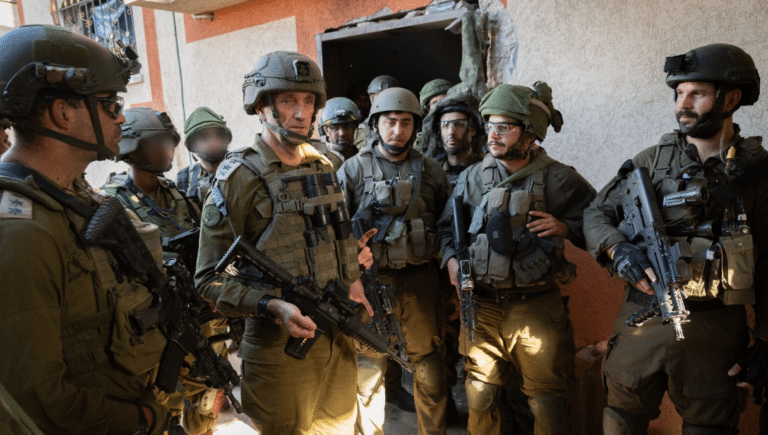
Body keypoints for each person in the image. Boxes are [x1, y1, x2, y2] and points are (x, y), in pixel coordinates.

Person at [584, 43, 768, 435]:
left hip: (714, 328)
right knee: (620, 421)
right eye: (679, 93)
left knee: (710, 428)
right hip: (643, 316)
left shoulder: (758, 172)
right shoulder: (651, 161)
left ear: (731, 99)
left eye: (696, 93)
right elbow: (596, 213)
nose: (682, 105)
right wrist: (618, 248)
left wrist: (767, 340)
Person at [0, 24, 169, 435]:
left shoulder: (70, 193)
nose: (121, 117)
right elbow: (36, 397)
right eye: (110, 104)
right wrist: (141, 420)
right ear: (62, 113)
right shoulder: (22, 231)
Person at [194, 50, 373, 435]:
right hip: (278, 354)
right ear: (261, 107)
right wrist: (272, 305)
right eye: (289, 101)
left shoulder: (322, 166)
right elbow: (208, 280)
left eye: (308, 101)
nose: (301, 113)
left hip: (337, 341)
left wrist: (352, 273)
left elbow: (333, 238)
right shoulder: (239, 178)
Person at [438, 82, 596, 435]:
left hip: (536, 308)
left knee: (548, 403)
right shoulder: (472, 177)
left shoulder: (559, 178)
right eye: (490, 125)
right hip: (482, 306)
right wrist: (450, 260)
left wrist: (565, 227)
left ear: (530, 134)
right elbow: (447, 229)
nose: (493, 135)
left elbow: (601, 226)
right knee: (479, 395)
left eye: (505, 127)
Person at [101, 107, 228, 435]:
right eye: (157, 142)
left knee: (208, 393)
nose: (168, 149)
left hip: (198, 317)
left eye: (170, 141)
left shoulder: (178, 196)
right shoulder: (113, 203)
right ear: (132, 149)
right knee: (162, 402)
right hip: (155, 325)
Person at [338, 86, 451, 435]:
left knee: (429, 370)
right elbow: (334, 232)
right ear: (375, 124)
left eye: (405, 122)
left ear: (415, 127)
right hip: (370, 283)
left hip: (420, 284)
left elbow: (446, 227)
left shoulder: (431, 171)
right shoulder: (352, 170)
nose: (397, 130)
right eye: (389, 121)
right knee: (369, 370)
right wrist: (351, 267)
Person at [420, 83, 485, 186]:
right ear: (439, 131)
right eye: (445, 125)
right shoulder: (430, 172)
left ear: (472, 129)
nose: (451, 132)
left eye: (458, 125)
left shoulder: (486, 167)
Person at [177, 106, 232, 207]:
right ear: (192, 146)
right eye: (203, 137)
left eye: (218, 134)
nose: (213, 141)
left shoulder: (243, 169)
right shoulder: (184, 180)